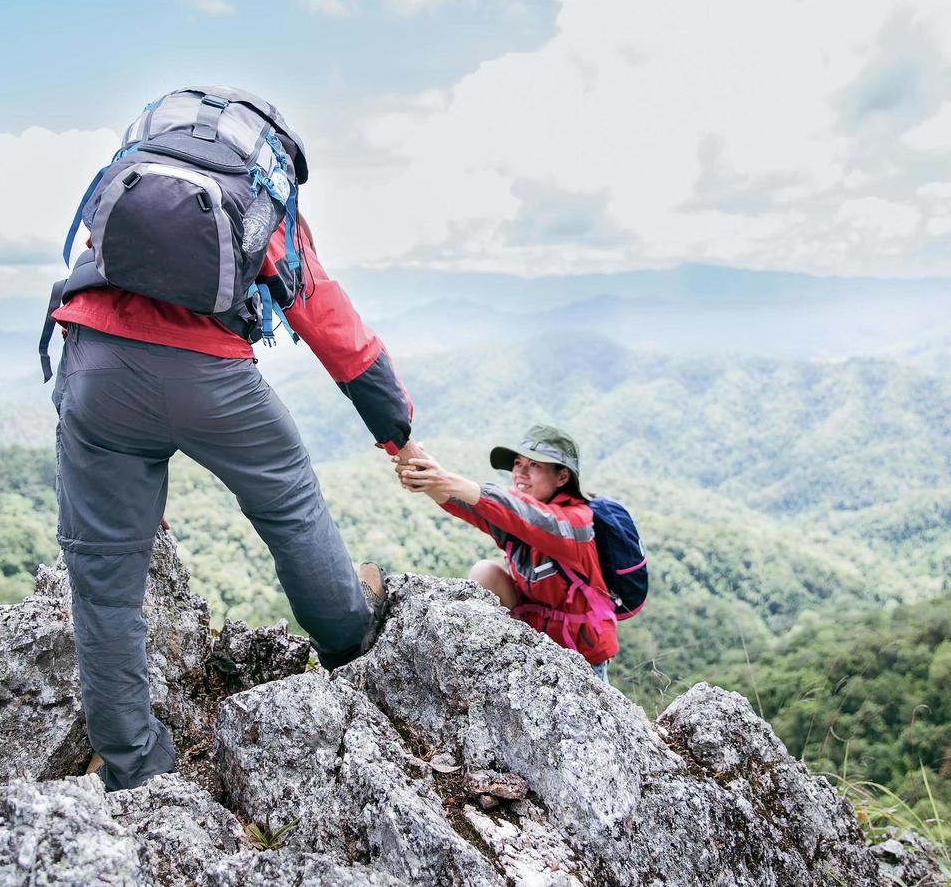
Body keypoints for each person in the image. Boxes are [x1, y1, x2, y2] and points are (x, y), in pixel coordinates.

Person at [49, 97, 419, 793]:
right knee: (290, 506)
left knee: (105, 584)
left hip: (96, 378)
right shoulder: (258, 193)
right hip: (215, 382)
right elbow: (324, 313)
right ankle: (348, 646)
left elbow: (87, 295)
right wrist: (391, 419)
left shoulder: (129, 177)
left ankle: (134, 768)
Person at [396, 425, 618, 681]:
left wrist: (446, 479)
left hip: (583, 661)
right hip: (535, 646)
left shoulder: (576, 523)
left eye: (534, 465)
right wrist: (424, 476)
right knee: (484, 572)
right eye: (517, 463)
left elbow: (527, 515)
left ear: (562, 477)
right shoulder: (516, 519)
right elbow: (463, 503)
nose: (520, 473)